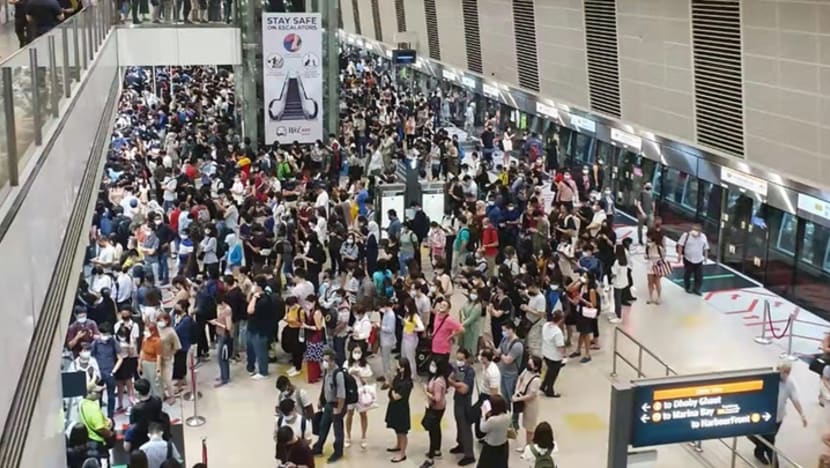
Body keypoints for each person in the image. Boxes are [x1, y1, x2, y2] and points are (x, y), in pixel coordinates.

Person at [752, 361, 807, 465]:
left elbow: (795, 399)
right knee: (770, 442)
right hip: (764, 416)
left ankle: (759, 451)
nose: (785, 374)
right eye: (783, 371)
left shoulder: (790, 383)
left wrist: (802, 415)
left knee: (767, 439)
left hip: (778, 417)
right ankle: (775, 465)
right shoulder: (769, 379)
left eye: (787, 372)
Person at [312, 350, 346, 464]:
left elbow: (341, 395)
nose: (324, 363)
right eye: (324, 360)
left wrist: (339, 410)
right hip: (328, 404)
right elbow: (324, 386)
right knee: (323, 426)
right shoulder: (327, 371)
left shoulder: (338, 374)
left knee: (338, 431)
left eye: (326, 360)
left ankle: (338, 452)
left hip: (337, 406)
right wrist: (321, 399)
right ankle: (318, 448)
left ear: (332, 361)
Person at [449, 348, 476, 466]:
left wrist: (454, 384)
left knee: (465, 426)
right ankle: (461, 444)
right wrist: (457, 384)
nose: (458, 361)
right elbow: (451, 378)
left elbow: (464, 389)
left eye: (461, 359)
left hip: (465, 403)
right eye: (457, 359)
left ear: (466, 359)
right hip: (457, 400)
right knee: (459, 423)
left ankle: (469, 454)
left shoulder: (470, 372)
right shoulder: (456, 369)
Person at [385, 357, 414, 463]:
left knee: (402, 432)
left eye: (401, 367)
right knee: (397, 428)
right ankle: (398, 445)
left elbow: (397, 396)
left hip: (402, 409)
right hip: (394, 407)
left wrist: (391, 389)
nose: (399, 368)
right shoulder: (398, 377)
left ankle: (402, 453)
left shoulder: (407, 383)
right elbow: (390, 385)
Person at [420, 359, 448, 467]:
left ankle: (431, 457)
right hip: (438, 407)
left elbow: (437, 398)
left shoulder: (438, 381)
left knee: (433, 431)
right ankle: (437, 450)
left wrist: (426, 392)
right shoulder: (436, 378)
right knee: (436, 428)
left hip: (436, 408)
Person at [345, 346, 373, 449]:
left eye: (359, 351)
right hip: (350, 392)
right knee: (349, 414)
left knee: (363, 414)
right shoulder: (347, 364)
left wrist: (359, 375)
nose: (357, 353)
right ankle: (347, 436)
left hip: (361, 392)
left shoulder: (365, 366)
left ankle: (363, 437)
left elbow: (367, 381)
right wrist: (350, 373)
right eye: (355, 351)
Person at [512, 355, 542, 452]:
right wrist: (517, 391)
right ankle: (528, 445)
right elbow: (520, 378)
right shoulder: (526, 371)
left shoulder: (536, 380)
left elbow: (531, 395)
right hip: (523, 401)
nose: (528, 365)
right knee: (526, 425)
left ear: (536, 367)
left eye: (531, 364)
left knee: (530, 427)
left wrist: (518, 399)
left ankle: (529, 448)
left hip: (531, 405)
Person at [77, 381, 113, 459]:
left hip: (89, 439)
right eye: (98, 392)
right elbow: (100, 428)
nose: (100, 394)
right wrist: (110, 434)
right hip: (98, 442)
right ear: (90, 393)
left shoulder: (82, 403)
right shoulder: (93, 408)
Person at [477, 394, 510, 468]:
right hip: (503, 444)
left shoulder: (492, 420)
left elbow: (482, 429)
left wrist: (483, 416)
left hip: (491, 446)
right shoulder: (508, 415)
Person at [430, 298, 463, 369]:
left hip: (443, 349)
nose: (442, 306)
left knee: (442, 368)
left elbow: (461, 329)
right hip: (434, 346)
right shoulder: (437, 315)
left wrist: (452, 335)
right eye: (441, 304)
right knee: (434, 368)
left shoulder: (449, 320)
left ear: (448, 309)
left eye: (444, 305)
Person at [677, 223, 709, 296]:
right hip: (688, 259)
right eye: (694, 229)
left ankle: (696, 289)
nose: (695, 231)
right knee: (687, 274)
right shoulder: (686, 235)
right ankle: (687, 287)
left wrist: (706, 257)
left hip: (699, 259)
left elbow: (706, 247)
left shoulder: (703, 237)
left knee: (699, 276)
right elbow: (680, 245)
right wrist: (679, 256)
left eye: (697, 230)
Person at [540, 310, 566, 398]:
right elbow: (560, 346)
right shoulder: (557, 332)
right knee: (553, 374)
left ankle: (543, 385)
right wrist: (563, 356)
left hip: (545, 353)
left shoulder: (546, 325)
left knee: (549, 371)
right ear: (561, 320)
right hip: (555, 357)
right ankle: (549, 391)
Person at [210, 295, 233, 387]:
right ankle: (223, 375)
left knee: (222, 357)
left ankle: (225, 378)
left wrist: (216, 323)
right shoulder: (221, 309)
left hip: (224, 336)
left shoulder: (227, 310)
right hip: (219, 334)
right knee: (220, 357)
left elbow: (228, 327)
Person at [400, 300, 425, 379]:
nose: (405, 308)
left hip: (411, 339)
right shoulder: (407, 314)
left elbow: (422, 327)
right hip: (405, 337)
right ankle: (405, 371)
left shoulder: (415, 316)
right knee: (404, 355)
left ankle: (413, 374)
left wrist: (414, 329)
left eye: (406, 306)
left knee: (410, 357)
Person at [139, 321, 163, 398]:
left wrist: (158, 369)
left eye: (147, 330)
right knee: (146, 382)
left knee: (155, 384)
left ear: (152, 331)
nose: (145, 332)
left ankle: (158, 400)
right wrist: (139, 363)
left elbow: (158, 355)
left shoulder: (157, 341)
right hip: (145, 362)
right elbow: (142, 351)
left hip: (153, 364)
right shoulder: (145, 339)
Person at [644, 228, 665, 305]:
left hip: (657, 264)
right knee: (650, 282)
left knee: (657, 281)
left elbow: (663, 256)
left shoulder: (659, 247)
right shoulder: (647, 246)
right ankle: (650, 297)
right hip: (650, 264)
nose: (648, 239)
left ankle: (659, 297)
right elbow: (645, 255)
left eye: (649, 237)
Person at [459, 290, 483, 356]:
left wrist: (461, 324)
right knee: (464, 343)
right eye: (472, 293)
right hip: (465, 326)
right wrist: (463, 316)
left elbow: (471, 319)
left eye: (475, 293)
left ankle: (471, 357)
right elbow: (462, 309)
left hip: (473, 328)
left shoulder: (478, 305)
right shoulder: (468, 302)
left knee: (471, 345)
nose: (473, 295)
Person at [610, 244, 628, 324]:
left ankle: (618, 316)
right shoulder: (624, 260)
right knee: (618, 299)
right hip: (623, 281)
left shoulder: (617, 262)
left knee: (617, 299)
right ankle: (616, 313)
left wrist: (611, 276)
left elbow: (614, 273)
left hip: (617, 282)